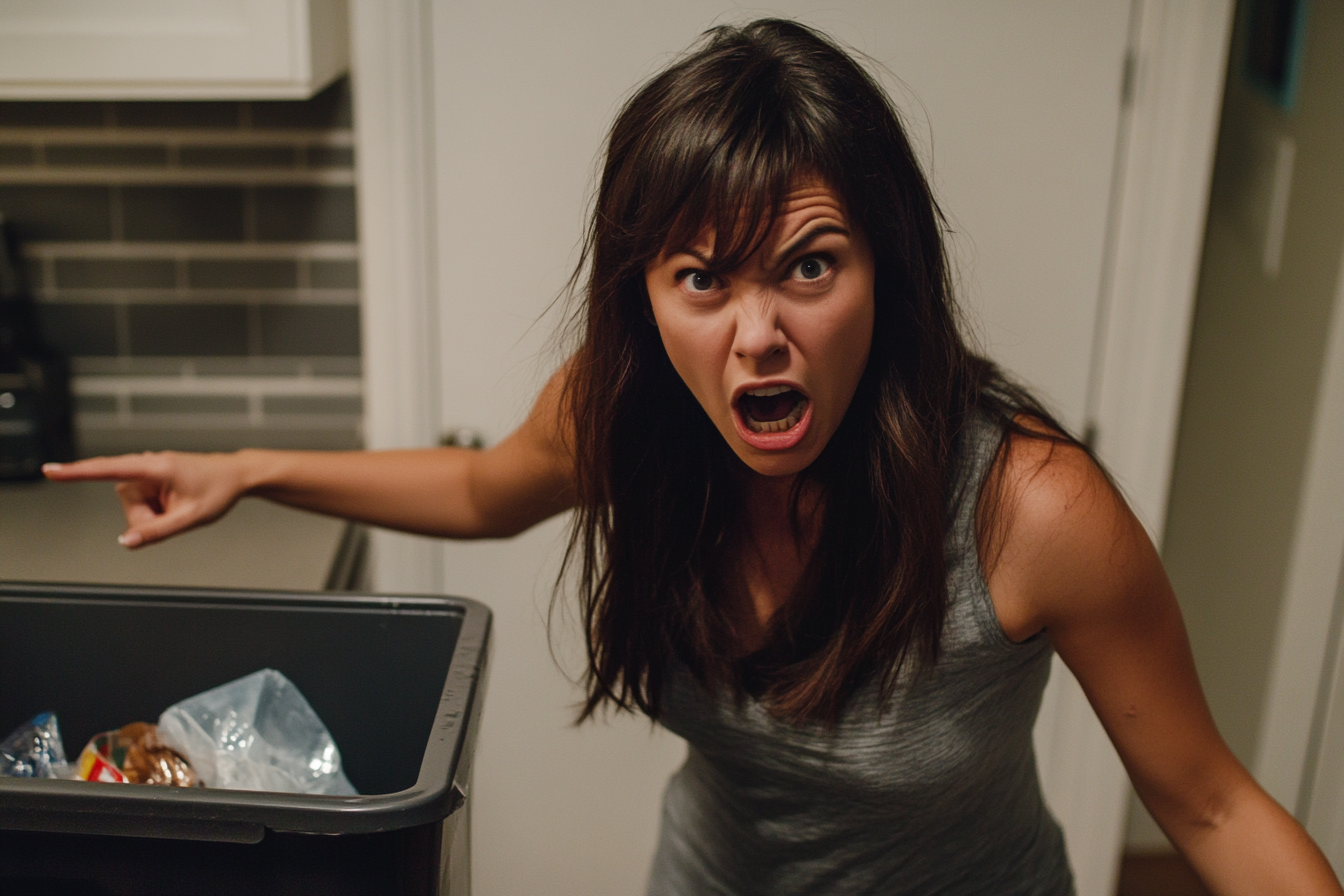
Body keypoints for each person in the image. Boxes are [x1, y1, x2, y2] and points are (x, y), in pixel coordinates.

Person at [44, 19, 1341, 896]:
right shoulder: (634, 413)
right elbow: (485, 490)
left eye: (811, 266)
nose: (758, 336)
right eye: (703, 278)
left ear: (887, 269)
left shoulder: (1033, 508)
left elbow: (1215, 806)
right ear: (647, 293)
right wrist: (249, 465)